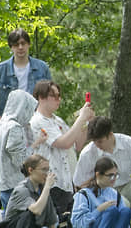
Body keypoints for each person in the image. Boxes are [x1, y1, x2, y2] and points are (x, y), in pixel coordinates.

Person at [0, 28, 51, 215]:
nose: (20, 47)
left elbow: (48, 95)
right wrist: (3, 121)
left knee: (31, 169)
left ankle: (25, 215)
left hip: (33, 123)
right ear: (11, 47)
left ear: (28, 44)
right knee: (8, 175)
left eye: (23, 43)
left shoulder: (41, 67)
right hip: (9, 126)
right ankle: (4, 218)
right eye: (16, 44)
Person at [31, 80, 94, 217]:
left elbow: (77, 144)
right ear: (41, 98)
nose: (58, 99)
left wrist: (84, 122)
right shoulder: (37, 121)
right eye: (54, 96)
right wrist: (81, 118)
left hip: (66, 182)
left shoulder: (58, 120)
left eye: (59, 95)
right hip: (50, 183)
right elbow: (63, 142)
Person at [0, 154, 74, 228]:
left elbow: (51, 223)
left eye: (48, 170)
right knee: (29, 213)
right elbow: (35, 210)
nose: (47, 174)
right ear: (30, 170)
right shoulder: (22, 189)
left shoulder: (43, 192)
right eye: (44, 170)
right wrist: (47, 187)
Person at [73, 117, 131, 204]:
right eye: (94, 141)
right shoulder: (88, 153)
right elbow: (79, 185)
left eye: (100, 141)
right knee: (124, 203)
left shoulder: (127, 142)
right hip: (102, 192)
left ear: (110, 135)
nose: (96, 145)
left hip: (126, 186)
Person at [0, 89, 46, 210]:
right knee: (19, 226)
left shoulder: (1, 124)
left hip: (4, 184)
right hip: (15, 186)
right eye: (30, 109)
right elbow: (20, 160)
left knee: (9, 224)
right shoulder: (14, 128)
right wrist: (35, 147)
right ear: (23, 107)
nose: (31, 114)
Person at [71, 157, 131, 228]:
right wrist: (99, 210)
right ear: (98, 175)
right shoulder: (84, 194)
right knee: (112, 209)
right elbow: (78, 224)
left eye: (116, 175)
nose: (113, 179)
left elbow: (123, 221)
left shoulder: (114, 194)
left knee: (126, 210)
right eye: (110, 176)